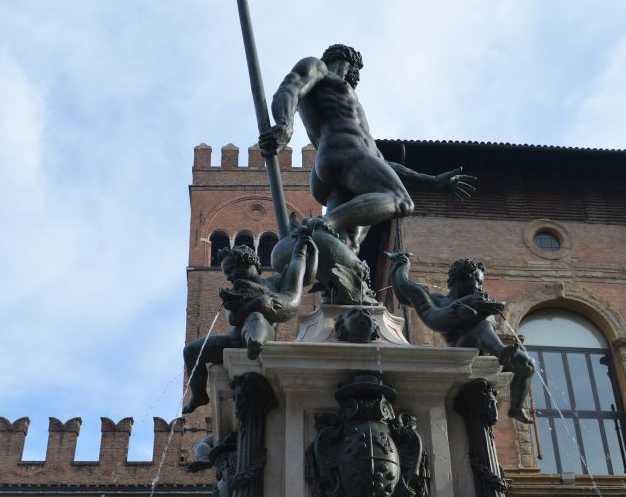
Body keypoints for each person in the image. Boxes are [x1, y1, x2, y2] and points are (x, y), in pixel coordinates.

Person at [259, 44, 476, 253]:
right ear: (349, 62)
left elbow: (379, 162)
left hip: (341, 163)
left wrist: (432, 182)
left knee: (346, 247)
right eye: (357, 71)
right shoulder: (319, 68)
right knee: (401, 201)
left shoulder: (347, 106)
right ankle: (321, 224)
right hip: (343, 152)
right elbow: (289, 88)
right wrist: (285, 125)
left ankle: (329, 283)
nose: (358, 78)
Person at [388, 252, 536, 423]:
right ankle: (501, 350)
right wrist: (400, 266)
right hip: (463, 349)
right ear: (463, 278)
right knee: (480, 326)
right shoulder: (438, 300)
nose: (480, 287)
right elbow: (403, 293)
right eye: (478, 281)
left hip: (487, 351)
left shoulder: (479, 299)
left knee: (526, 365)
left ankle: (516, 409)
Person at [182, 225, 313, 413]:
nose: (229, 277)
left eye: (231, 270)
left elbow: (302, 272)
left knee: (256, 318)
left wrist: (304, 245)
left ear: (250, 263)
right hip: (233, 340)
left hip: (261, 333)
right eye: (226, 273)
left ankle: (254, 344)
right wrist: (259, 302)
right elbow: (233, 318)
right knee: (191, 350)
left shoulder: (275, 282)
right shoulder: (236, 290)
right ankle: (199, 394)